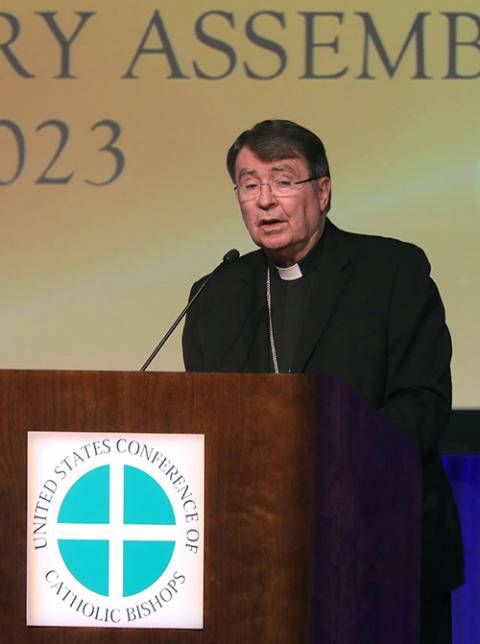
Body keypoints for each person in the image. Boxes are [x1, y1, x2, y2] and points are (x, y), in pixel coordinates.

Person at [182, 119, 463, 643]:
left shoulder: (392, 271)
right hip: (252, 562)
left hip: (383, 550)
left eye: (284, 180)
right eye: (249, 184)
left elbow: (423, 405)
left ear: (323, 191)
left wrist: (322, 455)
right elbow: (204, 419)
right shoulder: (214, 295)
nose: (266, 200)